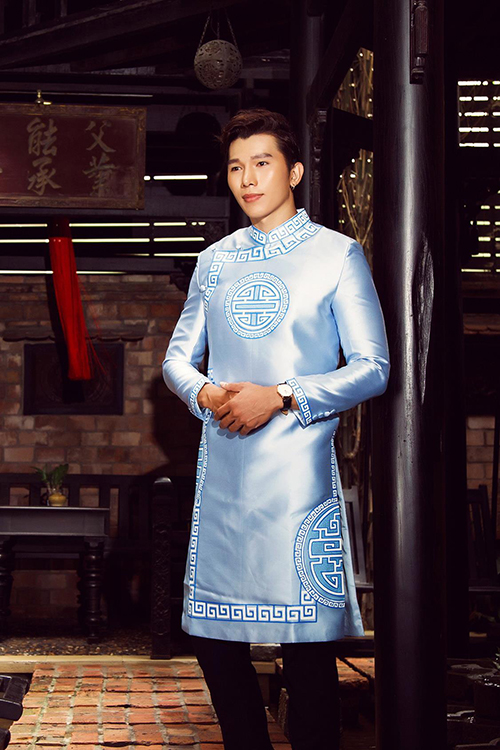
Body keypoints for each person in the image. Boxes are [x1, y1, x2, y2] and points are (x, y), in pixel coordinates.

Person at [162, 108, 389, 750]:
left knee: (306, 649)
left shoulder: (336, 255)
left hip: (297, 477)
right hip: (224, 472)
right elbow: (176, 359)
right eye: (236, 166)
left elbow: (373, 367)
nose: (247, 179)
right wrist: (205, 391)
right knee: (212, 637)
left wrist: (283, 394)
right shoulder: (214, 261)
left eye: (262, 163)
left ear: (292, 172)